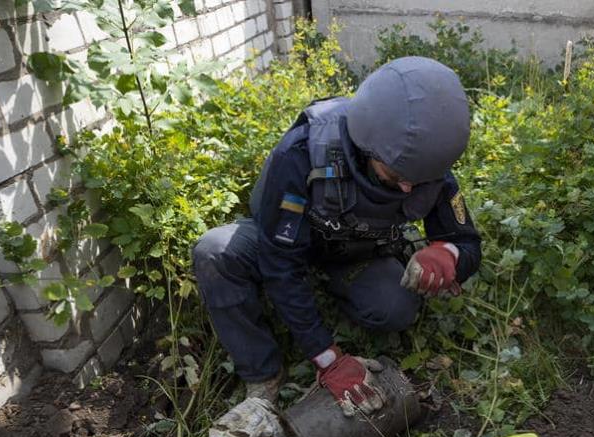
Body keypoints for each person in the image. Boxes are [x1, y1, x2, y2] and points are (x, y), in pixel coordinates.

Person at [192, 56, 482, 416]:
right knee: (214, 252)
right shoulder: (301, 154)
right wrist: (326, 357)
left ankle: (334, 290)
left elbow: (468, 242)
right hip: (288, 240)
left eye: (418, 179)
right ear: (367, 145)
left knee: (395, 307)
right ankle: (262, 372)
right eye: (395, 175)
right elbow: (280, 262)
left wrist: (449, 253)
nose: (409, 186)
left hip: (356, 252)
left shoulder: (425, 166)